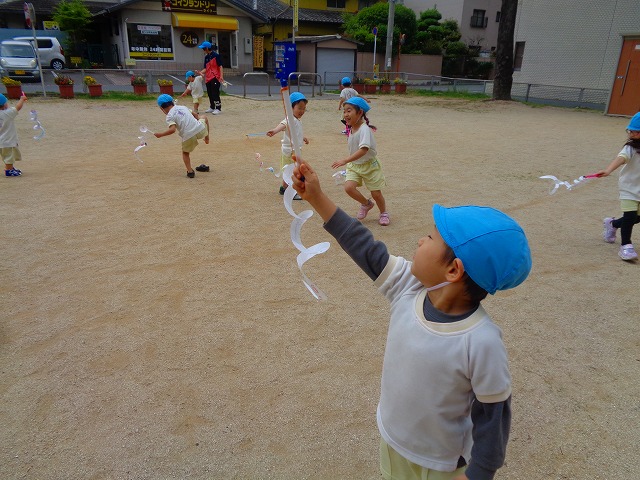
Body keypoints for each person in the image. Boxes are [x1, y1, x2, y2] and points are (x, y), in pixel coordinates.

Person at [291, 159, 532, 480]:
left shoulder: (481, 341)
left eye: (431, 238)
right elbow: (362, 245)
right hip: (393, 442)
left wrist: (478, 474)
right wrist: (317, 197)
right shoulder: (409, 286)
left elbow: (493, 416)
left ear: (454, 270)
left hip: (442, 464)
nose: (421, 240)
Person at [331, 97, 389, 226]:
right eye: (344, 111)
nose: (345, 114)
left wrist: (345, 160)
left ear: (360, 112)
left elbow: (364, 149)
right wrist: (349, 162)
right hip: (355, 166)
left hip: (370, 166)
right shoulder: (351, 128)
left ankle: (383, 213)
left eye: (349, 111)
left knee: (376, 193)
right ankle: (366, 204)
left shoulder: (364, 129)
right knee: (349, 188)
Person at [599, 111, 640, 261]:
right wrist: (608, 170)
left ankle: (613, 224)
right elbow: (621, 158)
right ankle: (626, 246)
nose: (632, 134)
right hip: (629, 187)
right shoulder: (630, 148)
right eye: (631, 130)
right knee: (630, 216)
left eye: (637, 131)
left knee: (637, 217)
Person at [154, 94, 210, 178]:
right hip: (200, 129)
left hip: (188, 136)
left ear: (161, 108)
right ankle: (207, 138)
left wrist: (160, 135)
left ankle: (190, 171)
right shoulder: (182, 107)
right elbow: (195, 115)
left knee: (185, 153)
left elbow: (172, 130)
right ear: (172, 102)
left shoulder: (169, 116)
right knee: (204, 117)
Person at [266, 92, 309, 200]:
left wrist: (302, 137)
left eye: (304, 108)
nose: (302, 111)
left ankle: (283, 188)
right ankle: (292, 192)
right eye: (299, 108)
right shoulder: (290, 119)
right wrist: (275, 130)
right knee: (293, 171)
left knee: (289, 170)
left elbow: (295, 133)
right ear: (291, 108)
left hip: (295, 150)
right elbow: (283, 125)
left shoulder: (297, 120)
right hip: (289, 151)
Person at [0, 92, 27, 177]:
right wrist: (22, 99)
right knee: (9, 156)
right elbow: (17, 107)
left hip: (2, 141)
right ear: (4, 105)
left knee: (6, 155)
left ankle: (10, 168)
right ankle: (9, 170)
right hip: (7, 141)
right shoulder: (7, 113)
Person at [198, 41, 224, 114]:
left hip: (215, 77)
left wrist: (221, 76)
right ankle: (212, 107)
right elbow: (206, 68)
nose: (203, 50)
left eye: (203, 48)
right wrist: (200, 72)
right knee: (210, 93)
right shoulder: (206, 57)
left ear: (207, 48)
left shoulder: (216, 56)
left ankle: (218, 108)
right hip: (208, 78)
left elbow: (220, 66)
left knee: (215, 93)